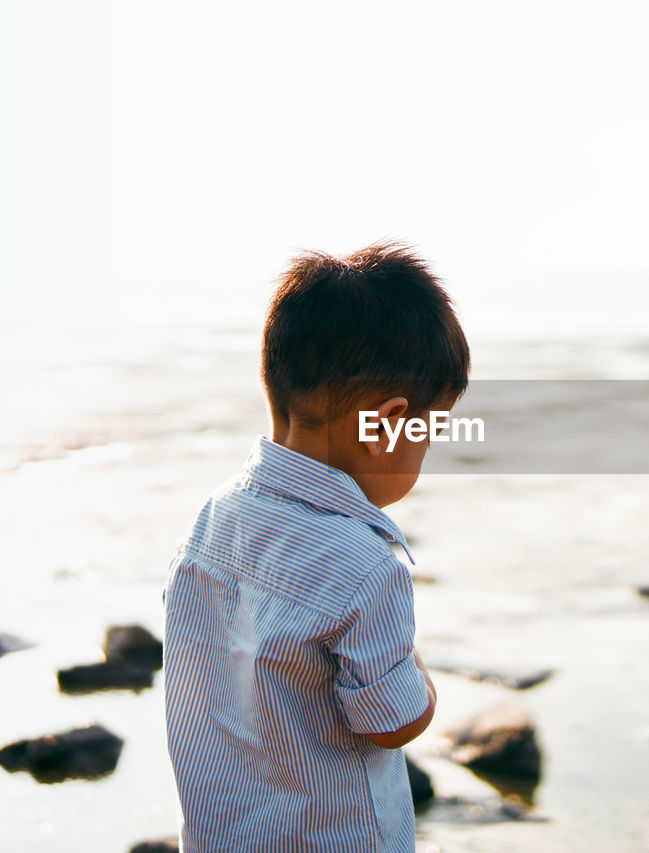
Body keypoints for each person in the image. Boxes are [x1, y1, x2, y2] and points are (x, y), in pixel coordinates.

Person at [162, 241, 470, 852]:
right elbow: (393, 722)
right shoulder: (366, 566)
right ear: (386, 426)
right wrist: (423, 680)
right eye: (428, 436)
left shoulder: (213, 521)